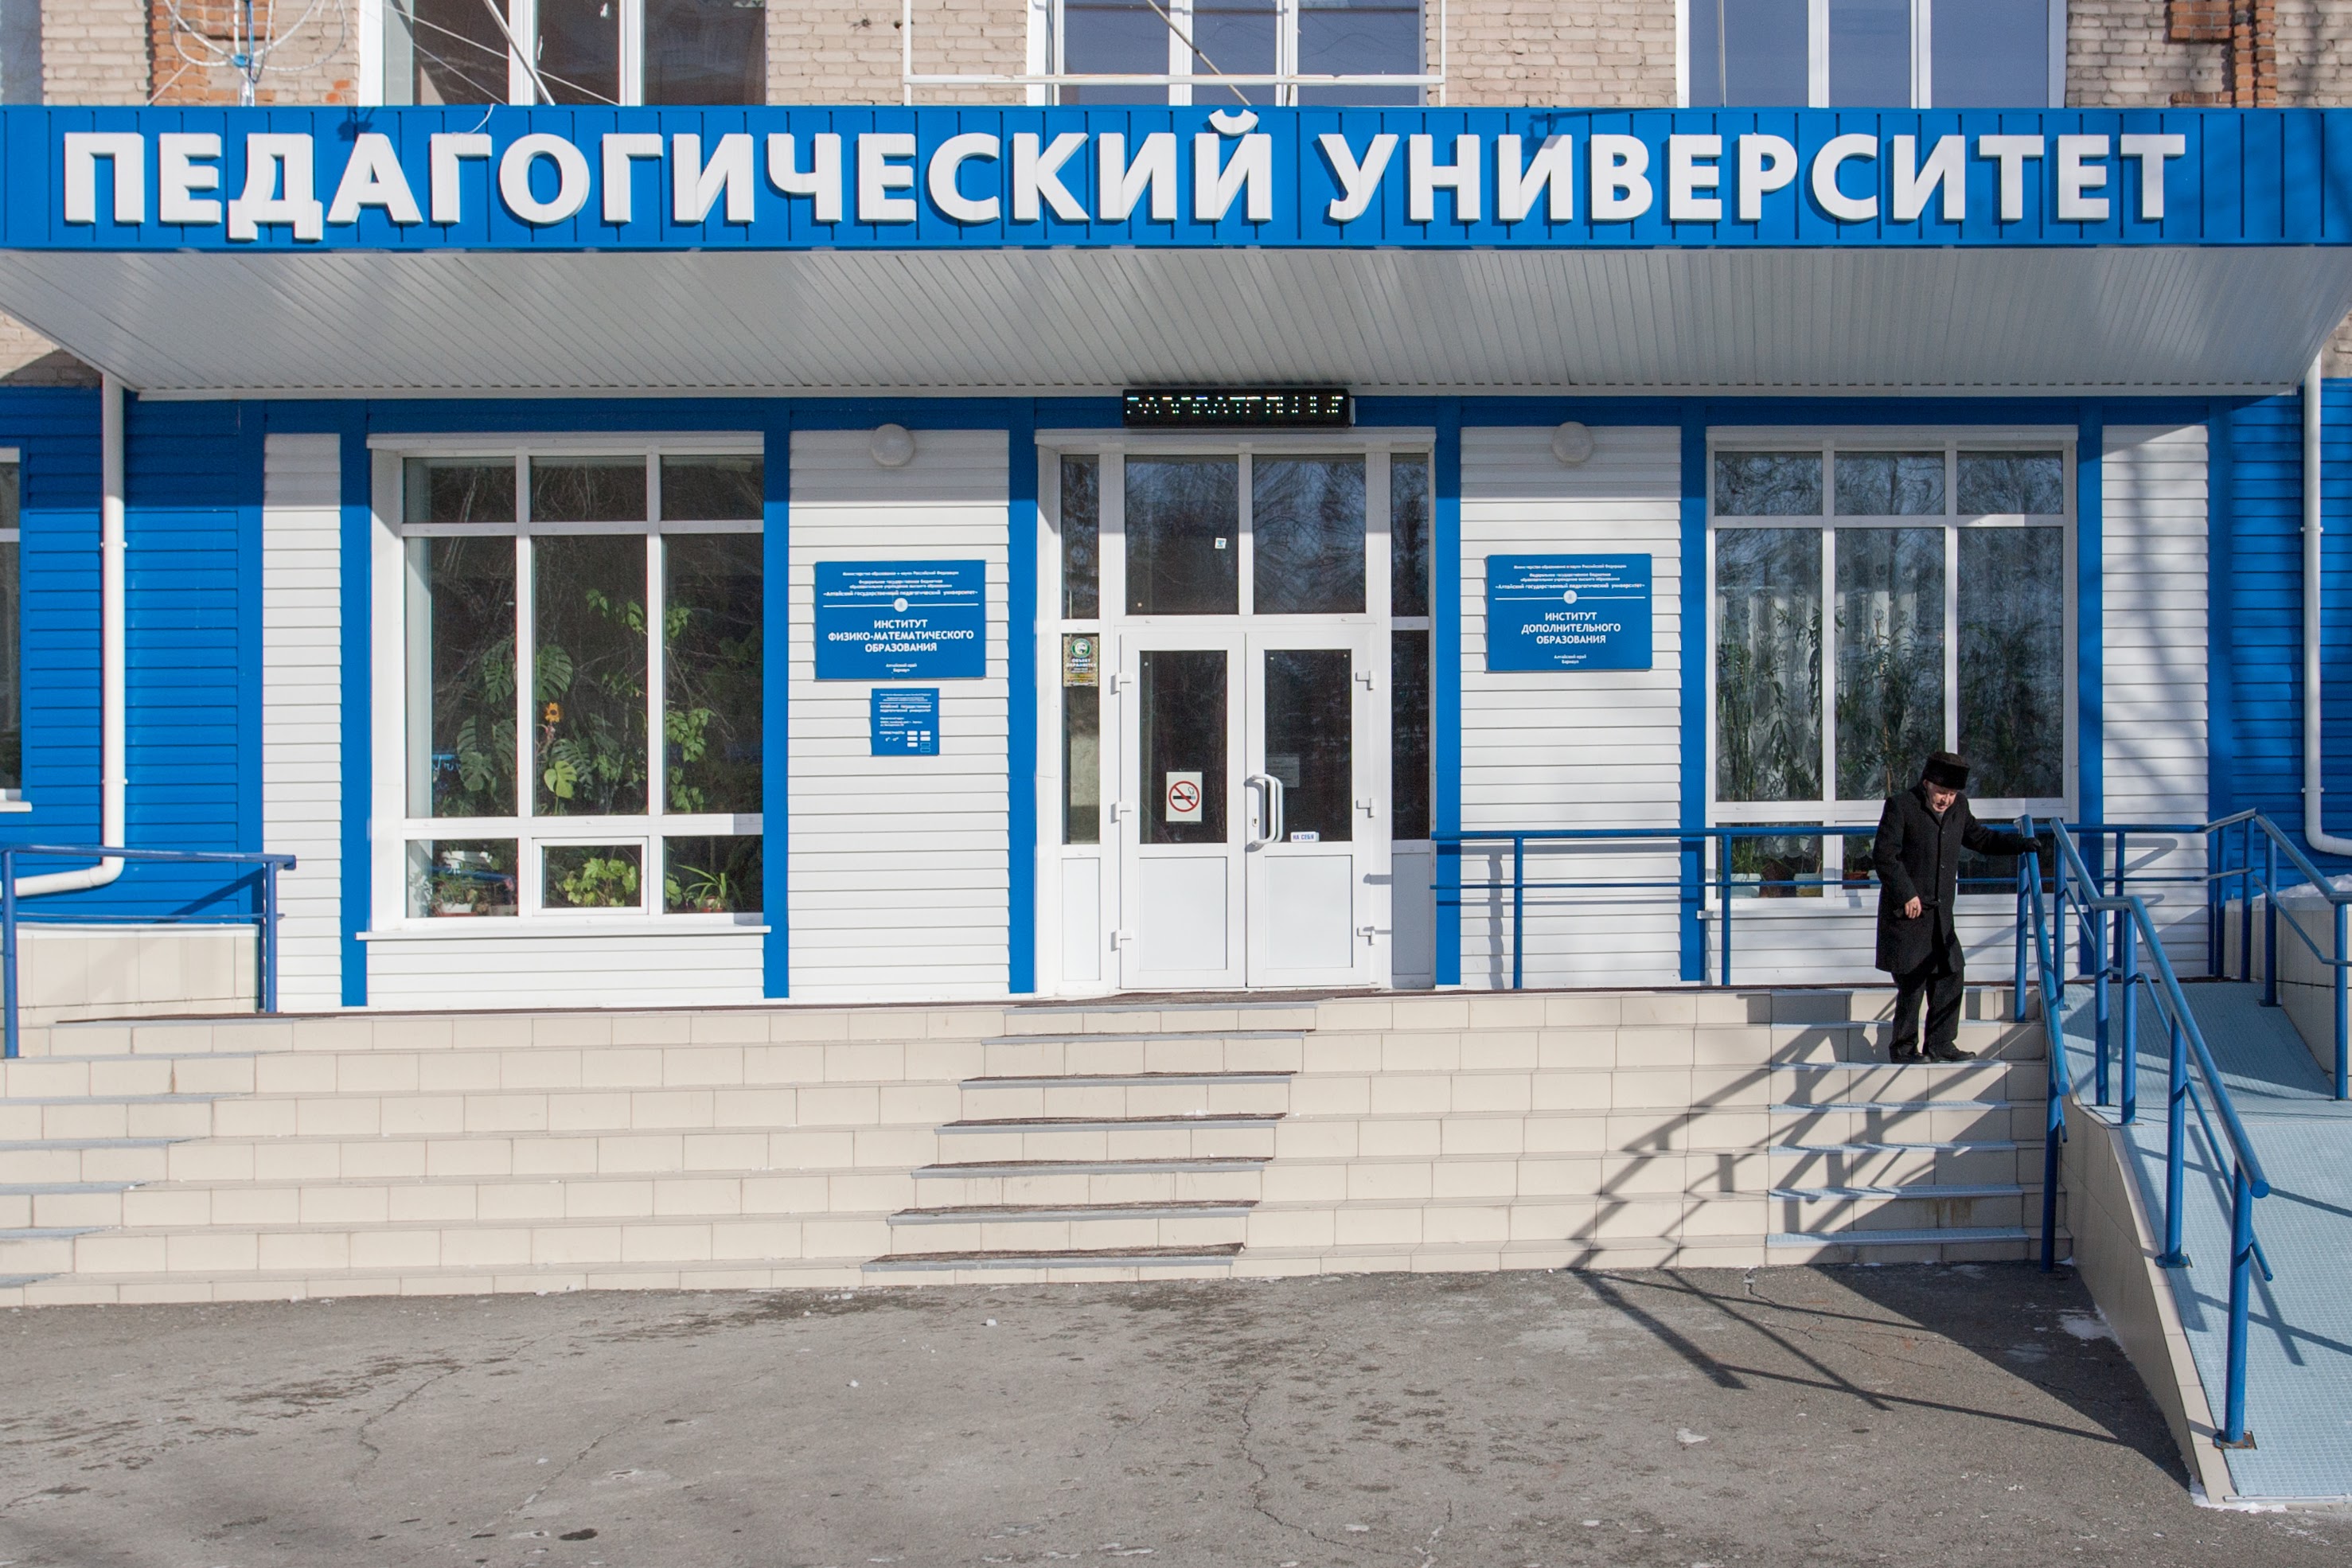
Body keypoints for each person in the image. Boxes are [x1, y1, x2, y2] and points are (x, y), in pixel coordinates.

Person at [1870, 751, 2037, 1063]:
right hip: (1908, 915)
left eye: (1951, 794)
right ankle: (1903, 1049)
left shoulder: (1959, 808)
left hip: (1940, 917)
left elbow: (1981, 839)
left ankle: (1941, 1044)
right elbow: (1884, 856)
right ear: (1926, 783)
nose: (1945, 799)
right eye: (1941, 792)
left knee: (1951, 974)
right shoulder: (1901, 806)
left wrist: (2020, 845)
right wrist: (1906, 894)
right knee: (1913, 983)